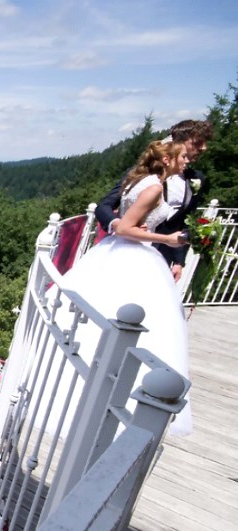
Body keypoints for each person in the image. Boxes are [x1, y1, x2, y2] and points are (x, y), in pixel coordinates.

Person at [65, 139, 193, 435]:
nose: (187, 162)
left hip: (115, 251)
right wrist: (169, 240)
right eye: (183, 157)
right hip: (134, 253)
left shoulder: (140, 180)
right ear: (167, 160)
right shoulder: (154, 188)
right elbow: (124, 227)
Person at [94, 120, 214, 281]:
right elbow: (104, 206)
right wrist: (118, 224)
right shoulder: (144, 175)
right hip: (131, 250)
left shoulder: (196, 179)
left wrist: (179, 261)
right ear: (178, 142)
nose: (204, 148)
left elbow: (186, 221)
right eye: (198, 142)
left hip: (162, 259)